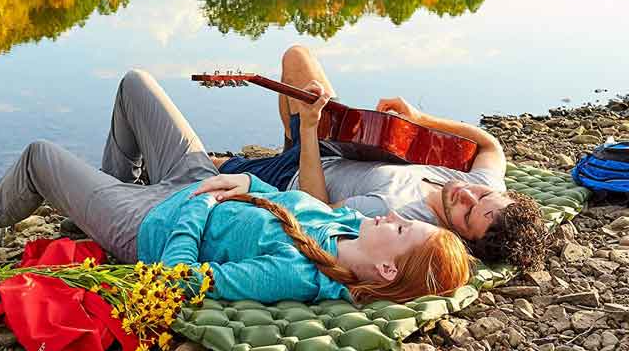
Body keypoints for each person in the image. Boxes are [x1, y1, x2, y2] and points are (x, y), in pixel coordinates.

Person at [0, 68, 470, 307]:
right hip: (201, 182)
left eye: (401, 231)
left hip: (154, 223)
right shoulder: (348, 226)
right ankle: (96, 204)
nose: (393, 219)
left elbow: (178, 279)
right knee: (135, 84)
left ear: (385, 269)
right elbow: (291, 200)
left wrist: (205, 205)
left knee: (38, 156)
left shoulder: (290, 274)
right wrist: (241, 179)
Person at [218, 45, 548, 272]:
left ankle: (284, 147)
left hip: (292, 175)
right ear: (502, 193)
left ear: (460, 238)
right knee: (297, 57)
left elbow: (313, 210)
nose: (467, 194)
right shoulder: (482, 186)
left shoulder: (399, 215)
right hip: (338, 143)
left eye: (466, 214)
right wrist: (421, 119)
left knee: (209, 167)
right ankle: (290, 138)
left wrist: (308, 128)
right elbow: (491, 147)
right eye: (484, 196)